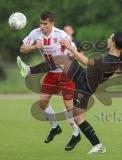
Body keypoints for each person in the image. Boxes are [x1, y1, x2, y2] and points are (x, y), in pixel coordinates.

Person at [17, 32, 122, 153]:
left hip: (85, 87)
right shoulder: (119, 56)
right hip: (83, 76)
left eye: (110, 38)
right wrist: (105, 76)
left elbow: (86, 61)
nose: (107, 39)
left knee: (79, 119)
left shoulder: (108, 60)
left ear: (114, 42)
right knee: (61, 59)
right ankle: (29, 70)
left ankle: (98, 145)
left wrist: (72, 50)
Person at [19, 11, 80, 151]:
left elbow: (74, 52)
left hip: (66, 73)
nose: (42, 26)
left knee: (69, 107)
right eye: (40, 23)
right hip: (51, 73)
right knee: (42, 103)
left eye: (45, 24)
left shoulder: (61, 35)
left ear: (52, 23)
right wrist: (35, 46)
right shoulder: (35, 33)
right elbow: (22, 49)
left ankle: (76, 134)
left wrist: (70, 55)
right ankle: (55, 127)